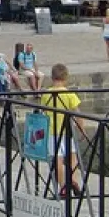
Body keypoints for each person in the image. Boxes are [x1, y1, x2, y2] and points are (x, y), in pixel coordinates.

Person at [43, 63, 85, 196]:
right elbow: (78, 114)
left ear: (52, 77)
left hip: (51, 131)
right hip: (67, 131)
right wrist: (81, 129)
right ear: (66, 77)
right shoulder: (69, 94)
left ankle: (63, 187)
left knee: (58, 160)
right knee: (73, 157)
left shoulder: (46, 94)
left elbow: (44, 112)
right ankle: (73, 180)